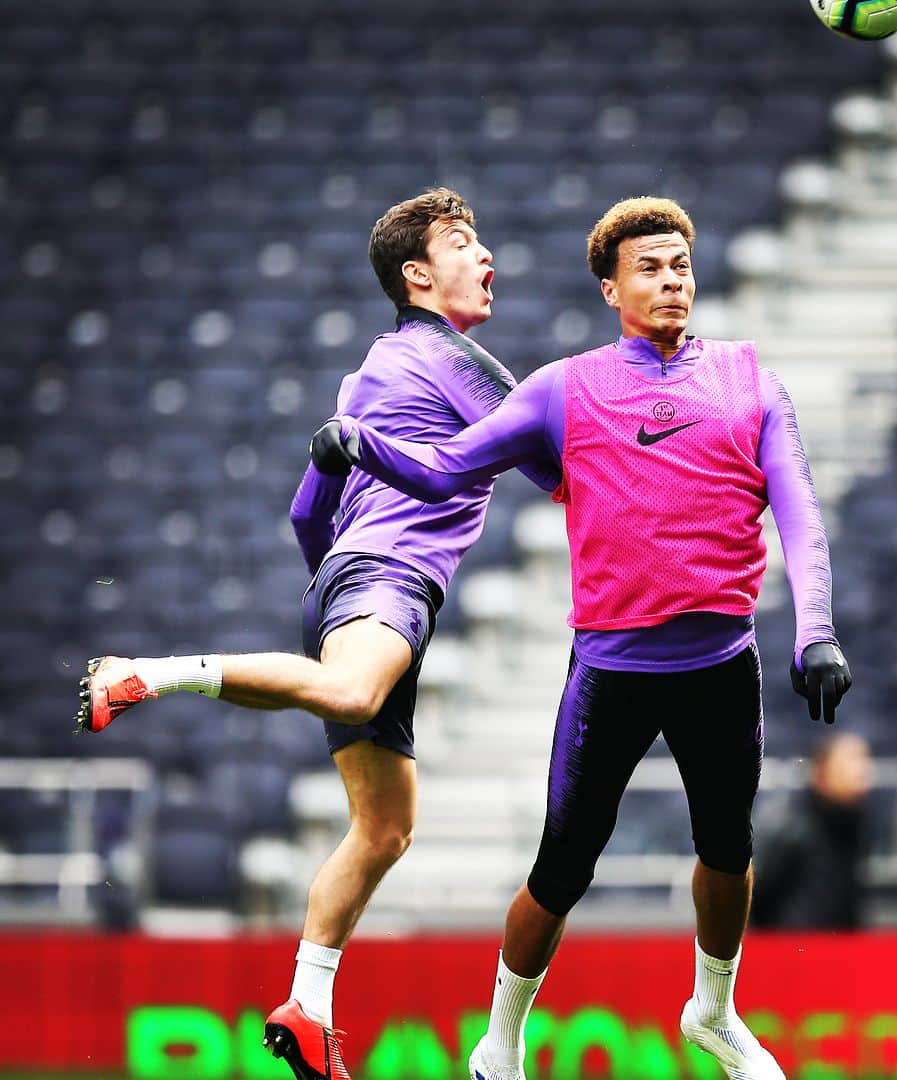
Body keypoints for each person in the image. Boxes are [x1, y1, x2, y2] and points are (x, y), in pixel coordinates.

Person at [310, 196, 853, 1080]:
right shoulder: (566, 387)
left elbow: (799, 510)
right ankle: (501, 1039)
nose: (672, 279)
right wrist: (362, 446)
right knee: (563, 866)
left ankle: (713, 1014)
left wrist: (815, 635)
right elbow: (450, 464)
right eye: (650, 267)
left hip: (722, 662)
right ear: (611, 288)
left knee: (728, 849)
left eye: (681, 264)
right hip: (612, 669)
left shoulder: (752, 377)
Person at [75, 188, 560, 1080]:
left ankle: (309, 1002)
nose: (485, 255)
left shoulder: (364, 373)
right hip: (390, 579)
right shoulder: (462, 364)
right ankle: (147, 672)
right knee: (349, 691)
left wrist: (337, 585)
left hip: (346, 575)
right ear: (417, 275)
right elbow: (563, 475)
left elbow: (308, 510)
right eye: (463, 242)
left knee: (383, 829)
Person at [751, 731, 874, 930]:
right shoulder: (790, 824)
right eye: (851, 762)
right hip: (791, 949)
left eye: (864, 760)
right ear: (821, 769)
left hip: (839, 950)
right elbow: (757, 893)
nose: (862, 772)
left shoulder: (855, 822)